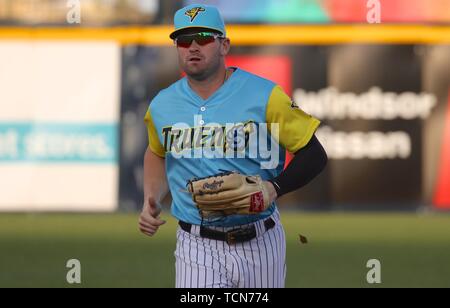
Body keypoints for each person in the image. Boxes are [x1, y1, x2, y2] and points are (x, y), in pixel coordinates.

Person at [139, 4, 327, 288]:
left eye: (203, 37)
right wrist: (150, 198)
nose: (192, 46)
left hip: (260, 240)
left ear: (224, 45)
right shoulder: (163, 105)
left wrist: (273, 189)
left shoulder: (265, 95)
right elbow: (156, 150)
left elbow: (314, 154)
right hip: (196, 244)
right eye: (183, 40)